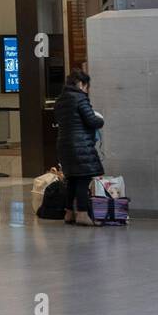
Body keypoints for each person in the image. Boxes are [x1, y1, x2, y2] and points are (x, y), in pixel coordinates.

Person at [54, 70, 104, 226]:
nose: (86, 90)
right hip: (79, 145)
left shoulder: (60, 100)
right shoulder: (80, 98)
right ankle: (82, 213)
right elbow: (91, 120)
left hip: (64, 144)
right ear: (81, 84)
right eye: (86, 86)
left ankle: (69, 213)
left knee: (72, 179)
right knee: (83, 178)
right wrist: (100, 120)